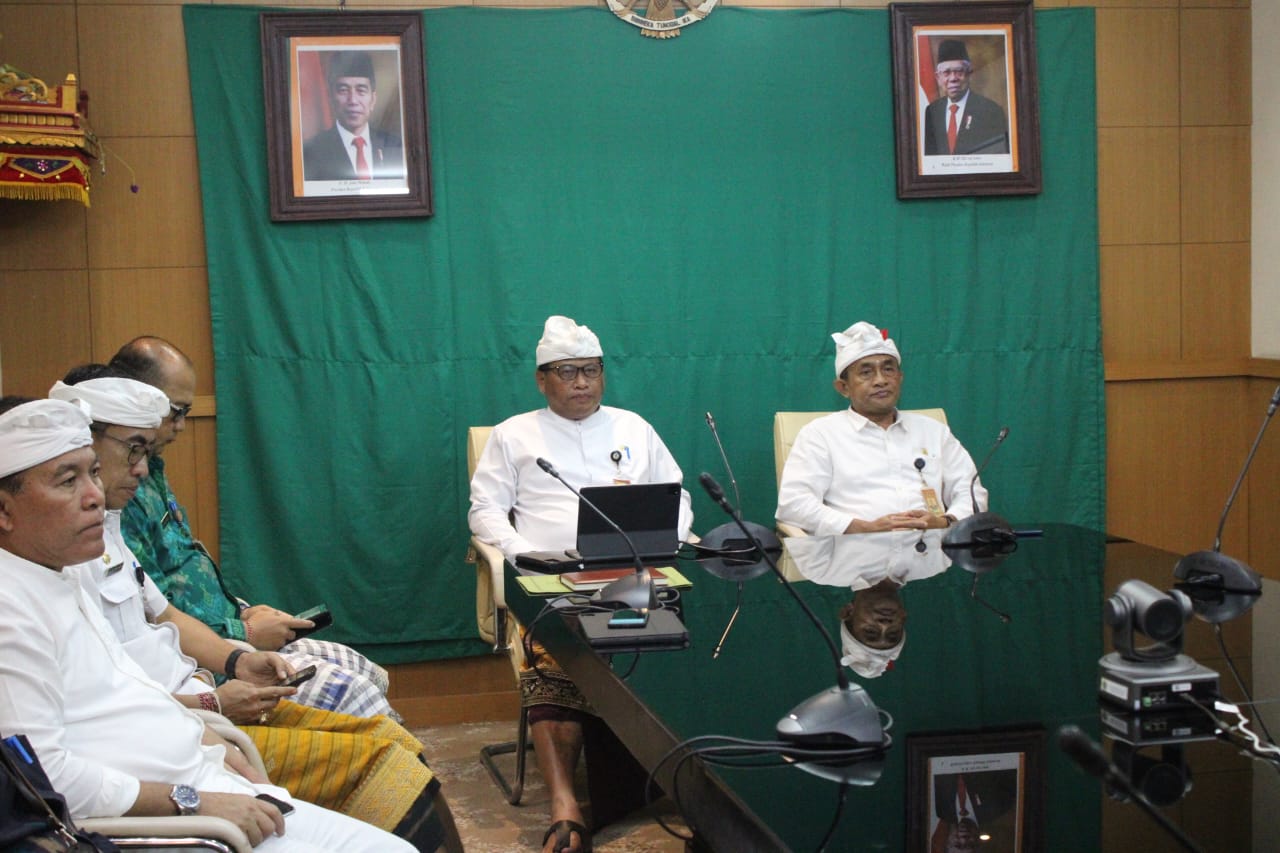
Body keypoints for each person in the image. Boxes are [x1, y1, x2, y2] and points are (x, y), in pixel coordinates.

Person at [50, 371, 460, 851]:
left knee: (395, 747)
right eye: (70, 478)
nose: (138, 471)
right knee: (387, 765)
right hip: (187, 737)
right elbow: (77, 749)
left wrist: (238, 661)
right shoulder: (48, 582)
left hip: (199, 712)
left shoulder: (105, 528)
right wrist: (214, 705)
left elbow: (164, 618)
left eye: (92, 474)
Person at [469, 315, 692, 853]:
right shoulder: (513, 433)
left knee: (686, 641)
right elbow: (485, 511)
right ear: (541, 379)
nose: (582, 383)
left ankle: (689, 781)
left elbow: (677, 496)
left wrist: (667, 536)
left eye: (591, 370)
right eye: (567, 372)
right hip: (553, 581)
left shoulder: (634, 427)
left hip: (636, 572)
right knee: (557, 657)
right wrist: (525, 553)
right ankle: (566, 805)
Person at [106, 337, 400, 722]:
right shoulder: (116, 499)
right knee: (355, 695)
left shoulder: (149, 474)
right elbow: (158, 618)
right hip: (199, 666)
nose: (180, 426)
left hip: (225, 640)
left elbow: (175, 582)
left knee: (366, 672)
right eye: (175, 412)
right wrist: (243, 636)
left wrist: (240, 613)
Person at [775, 321, 986, 536]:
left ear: (900, 378)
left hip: (931, 549)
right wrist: (863, 527)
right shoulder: (820, 435)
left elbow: (971, 493)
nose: (880, 380)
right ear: (843, 387)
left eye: (888, 369)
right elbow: (794, 504)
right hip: (852, 550)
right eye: (866, 372)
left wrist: (945, 521)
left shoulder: (933, 431)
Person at [302, 51, 405, 182]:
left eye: (361, 90)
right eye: (343, 90)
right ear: (331, 98)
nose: (353, 100)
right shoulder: (312, 151)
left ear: (373, 99)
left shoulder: (394, 145)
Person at [922, 39, 1010, 156]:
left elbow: (998, 155)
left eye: (959, 71)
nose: (953, 78)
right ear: (938, 78)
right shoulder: (932, 111)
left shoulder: (991, 111)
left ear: (969, 75)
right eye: (946, 73)